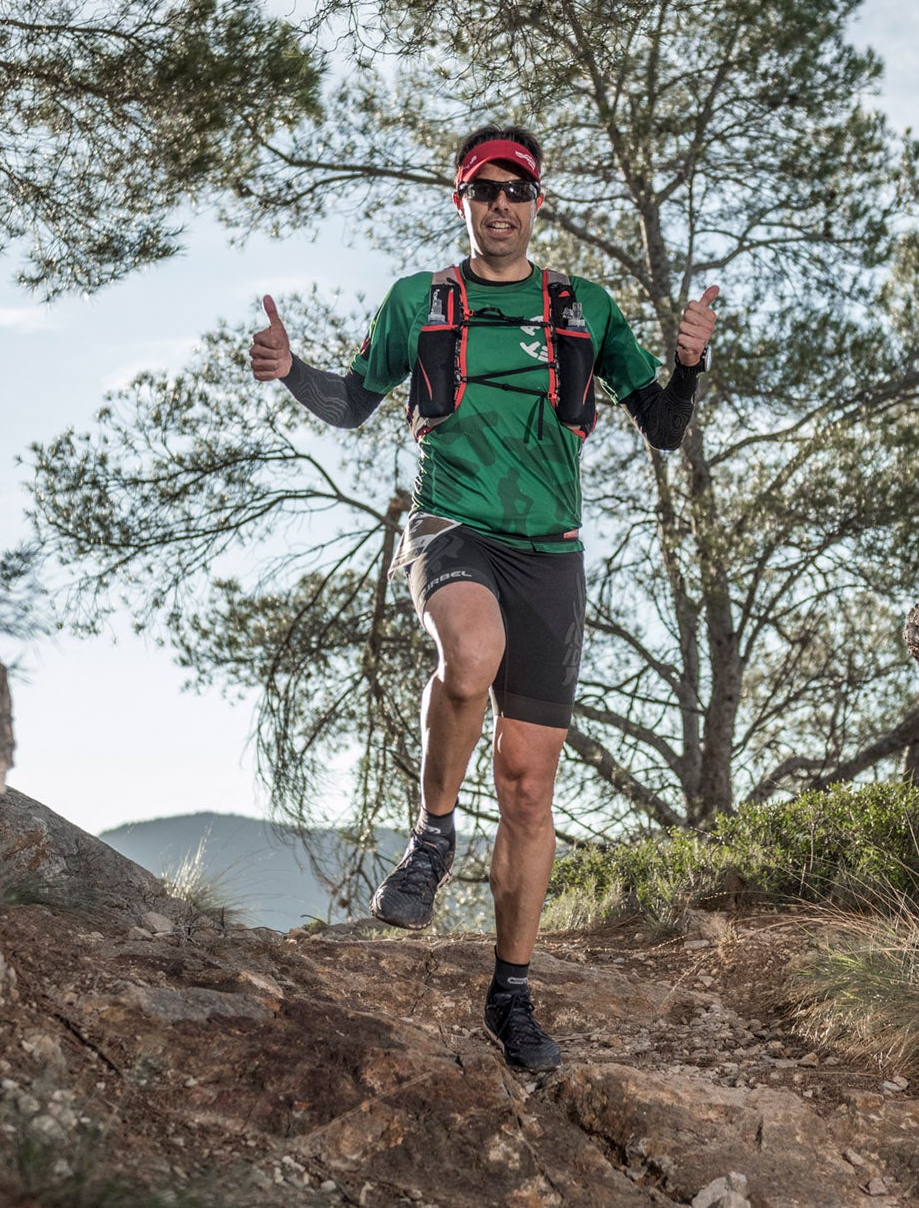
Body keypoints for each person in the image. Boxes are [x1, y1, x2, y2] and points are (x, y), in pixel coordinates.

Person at [248, 125, 717, 1070]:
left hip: (552, 556)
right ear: (458, 200)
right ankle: (432, 834)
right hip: (452, 528)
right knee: (470, 652)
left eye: (518, 189)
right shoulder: (420, 303)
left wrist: (691, 364)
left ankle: (511, 993)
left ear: (538, 202)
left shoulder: (584, 307)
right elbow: (354, 401)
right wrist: (289, 369)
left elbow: (662, 427)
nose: (501, 204)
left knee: (532, 791)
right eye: (483, 189)